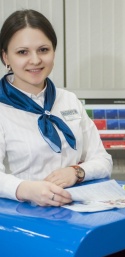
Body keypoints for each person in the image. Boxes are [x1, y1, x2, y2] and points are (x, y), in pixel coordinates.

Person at [0, 9, 113, 206]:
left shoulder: (69, 100)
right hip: (23, 213)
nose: (35, 60)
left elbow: (103, 160)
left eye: (43, 50)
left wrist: (76, 172)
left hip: (76, 208)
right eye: (22, 52)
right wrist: (27, 189)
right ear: (6, 57)